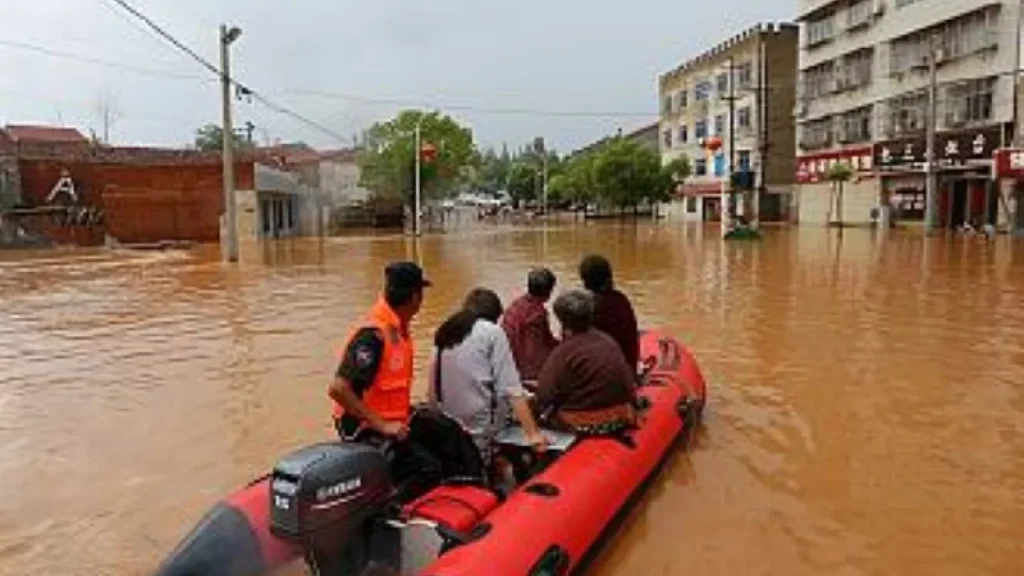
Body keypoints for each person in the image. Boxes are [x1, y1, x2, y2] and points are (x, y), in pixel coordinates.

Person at [327, 261, 438, 500]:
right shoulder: (373, 336)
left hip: (390, 423)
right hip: (365, 430)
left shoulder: (396, 328)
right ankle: (387, 511)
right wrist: (382, 425)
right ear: (414, 297)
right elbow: (338, 388)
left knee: (440, 437)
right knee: (428, 469)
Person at [429, 289, 547, 476]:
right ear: (495, 315)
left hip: (447, 426)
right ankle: (517, 468)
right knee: (528, 404)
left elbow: (433, 392)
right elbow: (512, 390)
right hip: (480, 429)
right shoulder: (492, 333)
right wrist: (534, 436)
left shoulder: (445, 331)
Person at [533, 290, 638, 433]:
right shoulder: (608, 341)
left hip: (583, 421)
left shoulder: (565, 351)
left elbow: (544, 395)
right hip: (621, 413)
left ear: (563, 323)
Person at [579, 255, 639, 372]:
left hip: (608, 375)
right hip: (627, 368)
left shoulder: (590, 309)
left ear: (586, 283)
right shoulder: (621, 299)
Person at [500, 268, 559, 382]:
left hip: (507, 363)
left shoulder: (516, 305)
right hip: (525, 371)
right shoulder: (538, 314)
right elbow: (537, 349)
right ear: (548, 292)